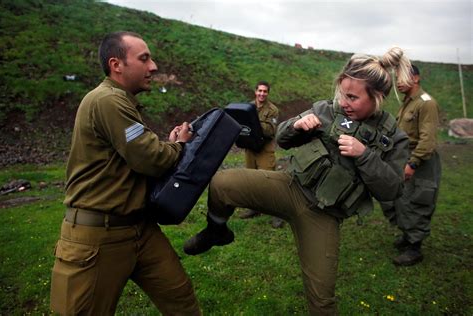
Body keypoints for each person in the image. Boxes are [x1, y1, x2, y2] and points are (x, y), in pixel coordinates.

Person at [182, 47, 411, 314]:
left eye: (352, 97)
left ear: (378, 97)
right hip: (289, 188)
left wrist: (365, 155)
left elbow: (393, 190)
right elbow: (280, 137)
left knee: (322, 300)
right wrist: (295, 127)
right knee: (222, 184)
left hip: (324, 216)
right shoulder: (326, 109)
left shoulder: (393, 138)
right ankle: (216, 231)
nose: (344, 102)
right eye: (342, 93)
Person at [50, 31, 200, 315]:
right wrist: (179, 146)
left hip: (139, 229)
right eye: (144, 58)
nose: (153, 66)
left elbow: (141, 150)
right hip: (97, 236)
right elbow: (151, 158)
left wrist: (169, 146)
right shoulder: (107, 100)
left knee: (181, 301)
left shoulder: (120, 101)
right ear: (116, 64)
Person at [381, 64, 441, 266]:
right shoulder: (409, 102)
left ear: (416, 78)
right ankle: (408, 236)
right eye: (396, 78)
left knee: (418, 200)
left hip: (420, 160)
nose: (398, 82)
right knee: (402, 199)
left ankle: (415, 248)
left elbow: (428, 140)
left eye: (402, 77)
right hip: (404, 156)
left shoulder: (426, 103)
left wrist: (413, 163)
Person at [238, 81, 285, 228]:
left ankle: (278, 214)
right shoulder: (248, 107)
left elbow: (270, 130)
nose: (262, 94)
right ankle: (254, 208)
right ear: (255, 91)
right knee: (251, 181)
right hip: (250, 148)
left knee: (270, 181)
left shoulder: (272, 110)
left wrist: (253, 121)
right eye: (260, 91)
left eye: (265, 91)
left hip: (265, 149)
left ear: (268, 93)